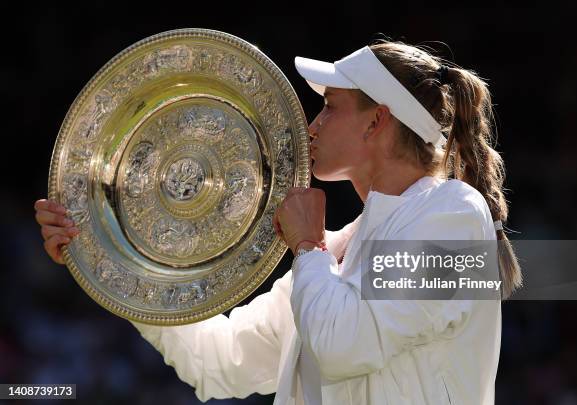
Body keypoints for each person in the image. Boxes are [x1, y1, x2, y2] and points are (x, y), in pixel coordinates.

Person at [34, 40, 522, 404]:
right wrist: (116, 258)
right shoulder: (339, 252)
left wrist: (308, 246)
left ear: (378, 122)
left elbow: (344, 346)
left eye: (329, 108)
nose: (312, 126)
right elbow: (218, 363)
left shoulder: (456, 214)